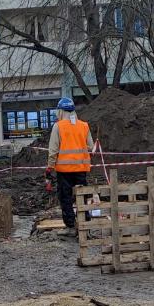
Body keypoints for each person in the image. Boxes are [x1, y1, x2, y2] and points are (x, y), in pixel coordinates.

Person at [46, 97, 93, 238]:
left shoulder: (58, 126)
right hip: (81, 169)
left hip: (64, 171)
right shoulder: (84, 125)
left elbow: (53, 150)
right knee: (82, 197)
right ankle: (85, 226)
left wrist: (50, 167)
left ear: (60, 111)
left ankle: (71, 226)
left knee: (65, 198)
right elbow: (90, 146)